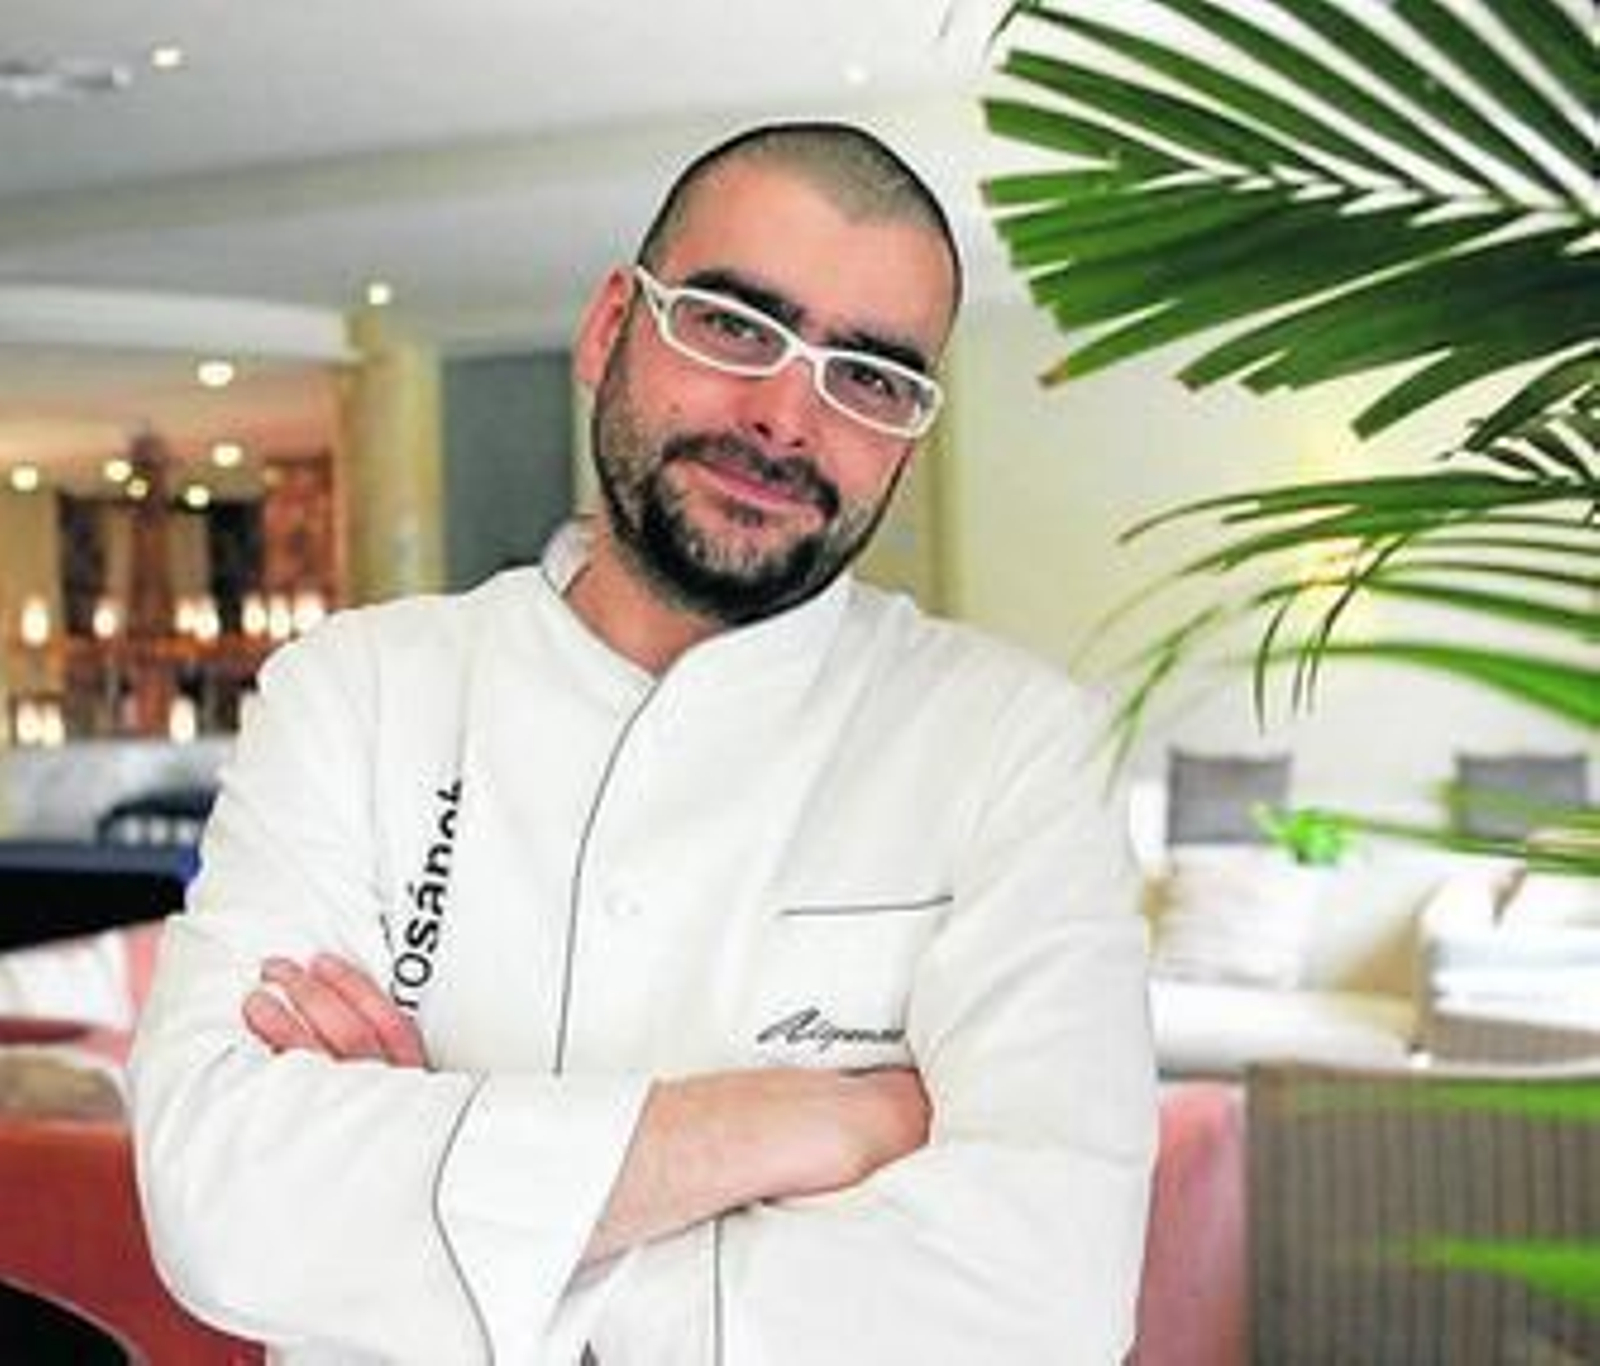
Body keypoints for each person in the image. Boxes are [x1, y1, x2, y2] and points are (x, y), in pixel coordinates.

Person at [131, 121, 1157, 1366]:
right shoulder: (352, 694)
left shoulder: (1011, 745)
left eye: (871, 377)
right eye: (735, 325)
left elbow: (1035, 1311)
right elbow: (222, 1204)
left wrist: (447, 1232)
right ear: (611, 325)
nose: (788, 416)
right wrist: (795, 1129)